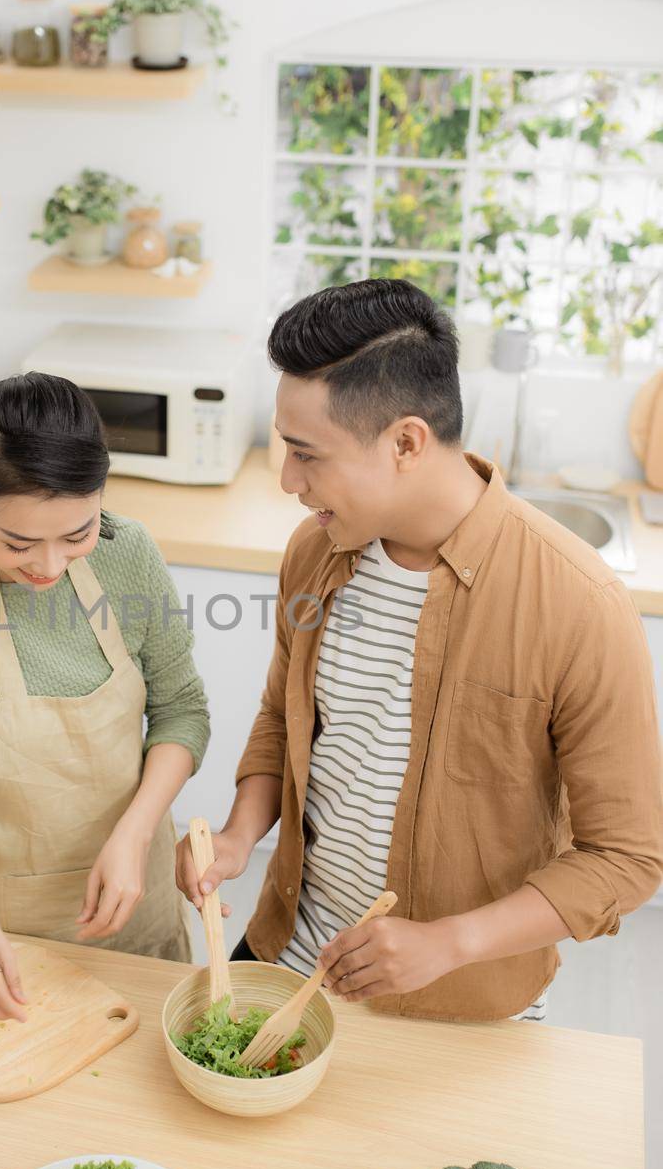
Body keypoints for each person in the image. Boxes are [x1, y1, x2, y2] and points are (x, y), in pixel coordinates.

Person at [176, 278, 662, 1021]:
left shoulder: (578, 605)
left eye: (308, 455)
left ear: (406, 441)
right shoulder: (315, 552)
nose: (286, 481)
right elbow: (284, 718)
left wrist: (448, 943)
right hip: (288, 956)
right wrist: (241, 836)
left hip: (459, 998)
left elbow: (627, 859)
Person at [0, 372, 208, 1020]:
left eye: (77, 535)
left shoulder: (127, 555)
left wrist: (135, 834)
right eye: (19, 544)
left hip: (141, 889)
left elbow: (181, 712)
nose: (51, 567)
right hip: (10, 934)